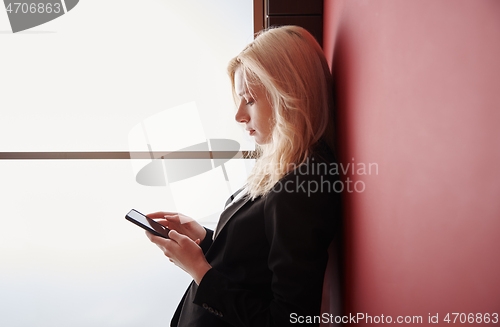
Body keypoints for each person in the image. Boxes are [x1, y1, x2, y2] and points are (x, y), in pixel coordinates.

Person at [145, 25, 342, 326]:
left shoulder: (301, 185)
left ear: (287, 95)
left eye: (249, 99)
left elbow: (288, 320)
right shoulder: (287, 166)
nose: (239, 115)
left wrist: (199, 269)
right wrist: (205, 240)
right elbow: (253, 269)